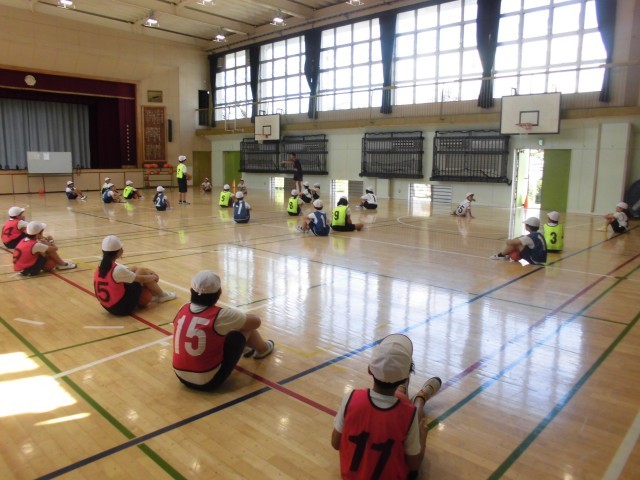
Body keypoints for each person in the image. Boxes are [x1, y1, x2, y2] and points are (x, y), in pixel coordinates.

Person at [331, 334, 441, 480]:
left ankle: (402, 390)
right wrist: (423, 436)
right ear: (406, 376)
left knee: (405, 412)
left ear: (369, 370)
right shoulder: (408, 414)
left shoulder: (351, 397)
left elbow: (335, 443)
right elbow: (414, 464)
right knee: (414, 419)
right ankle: (420, 398)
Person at [172, 270, 275, 390]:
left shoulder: (183, 308)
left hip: (180, 376)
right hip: (210, 381)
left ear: (191, 291)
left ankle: (246, 348)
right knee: (243, 327)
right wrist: (236, 316)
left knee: (220, 329)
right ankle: (263, 349)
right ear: (219, 292)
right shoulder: (221, 315)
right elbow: (256, 322)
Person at [94, 235, 176, 316]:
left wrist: (147, 272)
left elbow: (126, 273)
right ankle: (162, 295)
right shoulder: (117, 270)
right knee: (142, 271)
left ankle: (155, 293)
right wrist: (154, 276)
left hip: (108, 307)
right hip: (122, 308)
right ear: (119, 252)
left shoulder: (101, 265)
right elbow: (142, 279)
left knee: (134, 268)